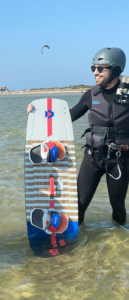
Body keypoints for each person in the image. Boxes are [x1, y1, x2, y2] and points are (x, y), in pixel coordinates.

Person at [27, 47, 129, 225]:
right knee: (79, 204)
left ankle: (119, 242)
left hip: (119, 159)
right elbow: (67, 117)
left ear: (116, 70)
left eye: (101, 68)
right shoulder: (91, 94)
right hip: (93, 157)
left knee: (118, 206)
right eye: (93, 68)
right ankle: (75, 240)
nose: (95, 72)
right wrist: (37, 112)